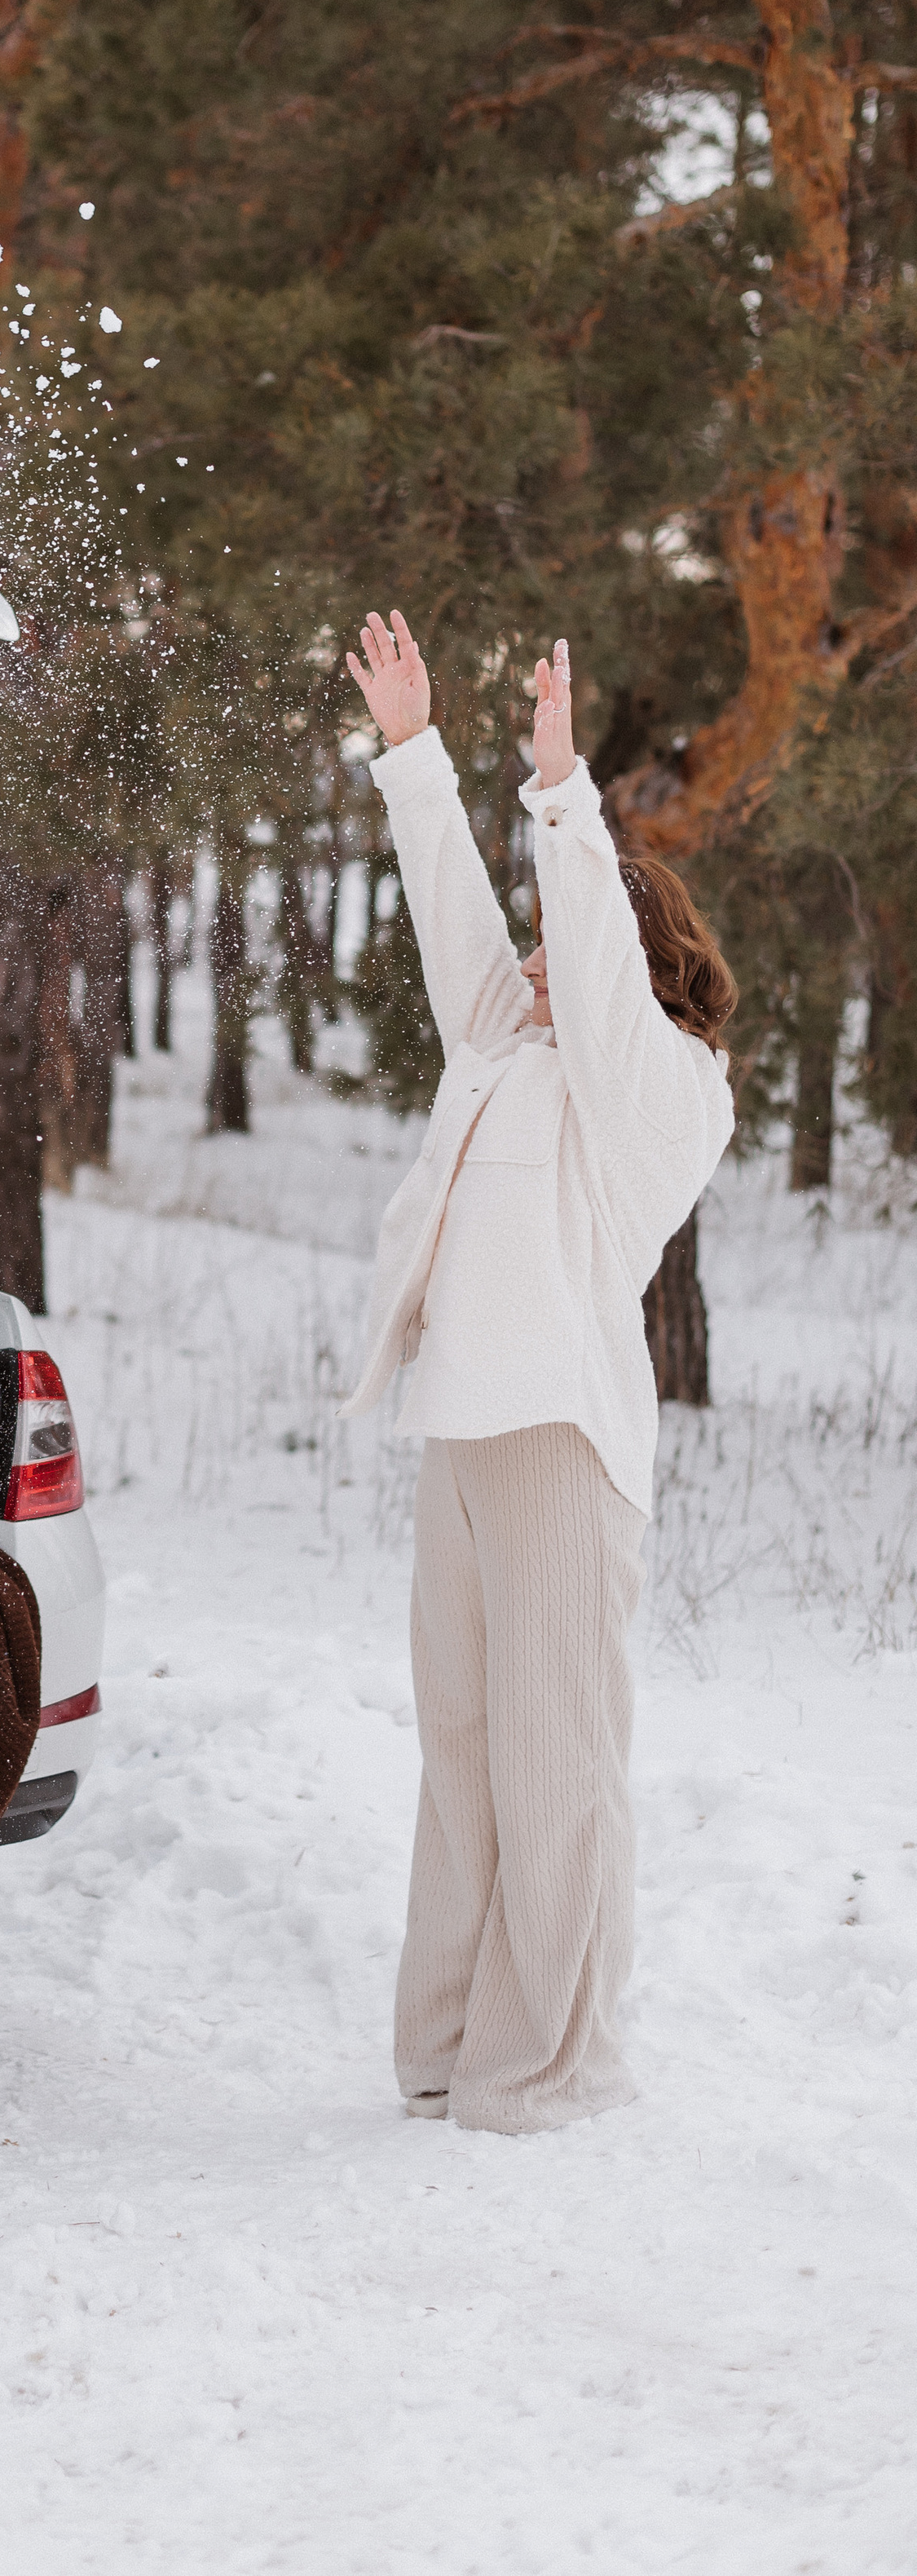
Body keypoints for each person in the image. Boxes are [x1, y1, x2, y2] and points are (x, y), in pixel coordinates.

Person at [341, 611, 737, 2133]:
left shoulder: (662, 1092)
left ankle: (545, 2060)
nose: (531, 959)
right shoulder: (509, 1054)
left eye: (564, 940)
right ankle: (446, 2045)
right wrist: (415, 753)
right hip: (466, 1434)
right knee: (463, 1754)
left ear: (627, 955)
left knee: (557, 1762)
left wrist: (563, 787)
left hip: (566, 1441)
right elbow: (458, 919)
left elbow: (589, 942)